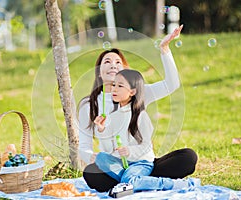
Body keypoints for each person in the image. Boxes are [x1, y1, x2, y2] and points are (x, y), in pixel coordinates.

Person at [78, 25, 198, 192]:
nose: (113, 65)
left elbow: (172, 84)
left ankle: (131, 182)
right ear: (99, 72)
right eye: (107, 61)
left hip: (142, 161)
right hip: (115, 165)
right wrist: (95, 157)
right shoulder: (89, 104)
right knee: (91, 173)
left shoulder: (138, 94)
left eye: (118, 62)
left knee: (187, 157)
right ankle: (136, 181)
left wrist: (164, 49)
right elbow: (84, 145)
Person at [93, 69, 189, 192]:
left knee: (129, 180)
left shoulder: (141, 116)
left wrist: (129, 151)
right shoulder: (113, 115)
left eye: (120, 86)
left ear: (132, 91)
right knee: (101, 157)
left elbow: (146, 146)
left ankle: (172, 184)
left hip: (141, 162)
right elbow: (108, 146)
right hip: (123, 164)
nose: (114, 89)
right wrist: (101, 130)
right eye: (113, 85)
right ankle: (131, 181)